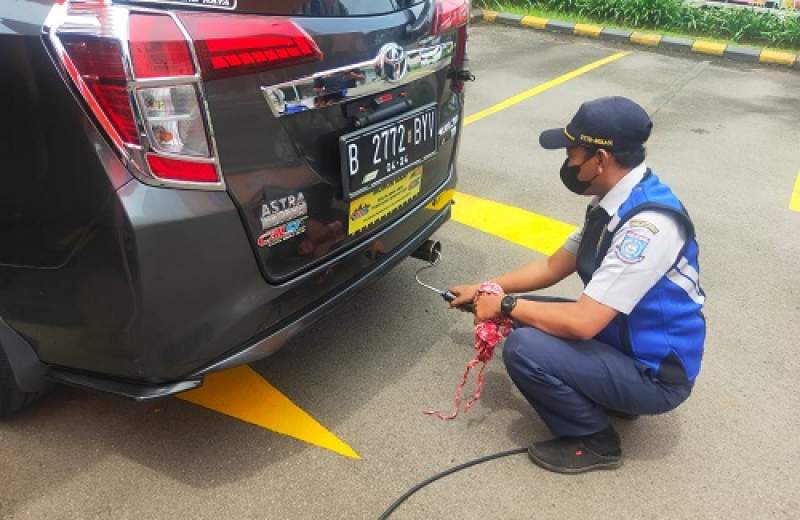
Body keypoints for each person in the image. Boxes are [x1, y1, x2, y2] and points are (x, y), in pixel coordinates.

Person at [449, 96, 706, 474]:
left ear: (600, 160)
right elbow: (554, 265)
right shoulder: (614, 202)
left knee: (525, 346)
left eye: (572, 154)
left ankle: (593, 440)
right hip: (625, 340)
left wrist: (503, 307)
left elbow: (584, 322)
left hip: (655, 375)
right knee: (531, 314)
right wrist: (486, 288)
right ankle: (612, 394)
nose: (567, 164)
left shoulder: (645, 228)